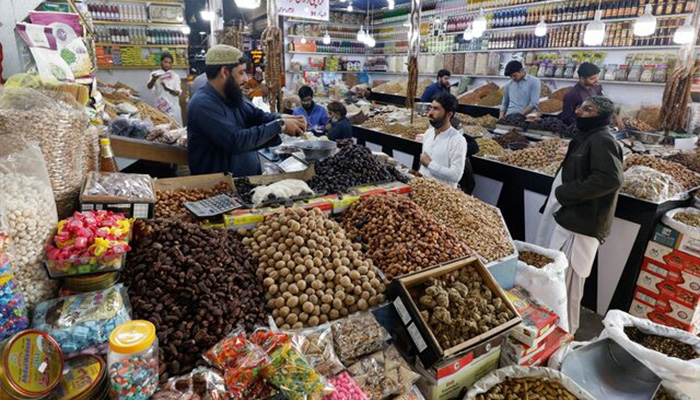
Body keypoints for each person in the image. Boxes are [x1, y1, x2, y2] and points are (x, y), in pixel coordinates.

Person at [535, 96, 623, 334]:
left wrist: (566, 193)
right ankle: (551, 334)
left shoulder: (603, 139)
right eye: (581, 107)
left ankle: (565, 336)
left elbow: (610, 179)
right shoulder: (587, 136)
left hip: (582, 225)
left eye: (588, 109)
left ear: (602, 116)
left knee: (569, 289)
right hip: (569, 219)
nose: (580, 111)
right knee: (556, 283)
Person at [187, 45, 306, 177]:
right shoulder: (202, 105)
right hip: (218, 187)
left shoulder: (231, 96)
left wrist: (284, 118)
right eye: (241, 72)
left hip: (244, 180)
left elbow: (257, 116)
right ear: (224, 72)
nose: (246, 79)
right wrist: (280, 126)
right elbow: (236, 140)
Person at [419, 92, 467, 188]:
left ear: (449, 114)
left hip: (441, 196)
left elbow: (456, 175)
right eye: (431, 108)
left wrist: (429, 164)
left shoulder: (457, 140)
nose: (430, 113)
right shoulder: (428, 133)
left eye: (436, 109)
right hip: (421, 190)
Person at [147, 52, 183, 125]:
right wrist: (154, 79)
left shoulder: (175, 76)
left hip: (173, 107)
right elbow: (149, 87)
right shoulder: (155, 74)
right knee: (162, 129)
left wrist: (168, 89)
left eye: (170, 63)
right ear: (161, 62)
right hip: (160, 106)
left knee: (176, 128)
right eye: (165, 62)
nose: (167, 65)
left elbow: (178, 92)